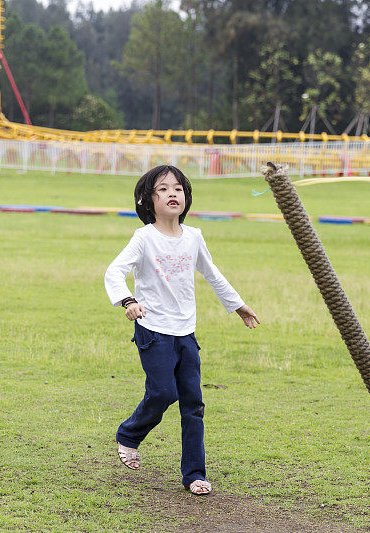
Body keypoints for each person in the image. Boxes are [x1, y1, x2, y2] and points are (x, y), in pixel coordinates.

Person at [104, 165, 259, 496]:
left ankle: (194, 474)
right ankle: (129, 435)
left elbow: (212, 273)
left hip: (185, 331)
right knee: (163, 393)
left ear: (187, 197)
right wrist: (128, 301)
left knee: (193, 403)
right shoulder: (144, 238)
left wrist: (237, 305)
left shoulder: (194, 237)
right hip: (153, 329)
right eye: (163, 189)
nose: (173, 193)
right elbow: (114, 272)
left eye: (178, 188)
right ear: (147, 201)